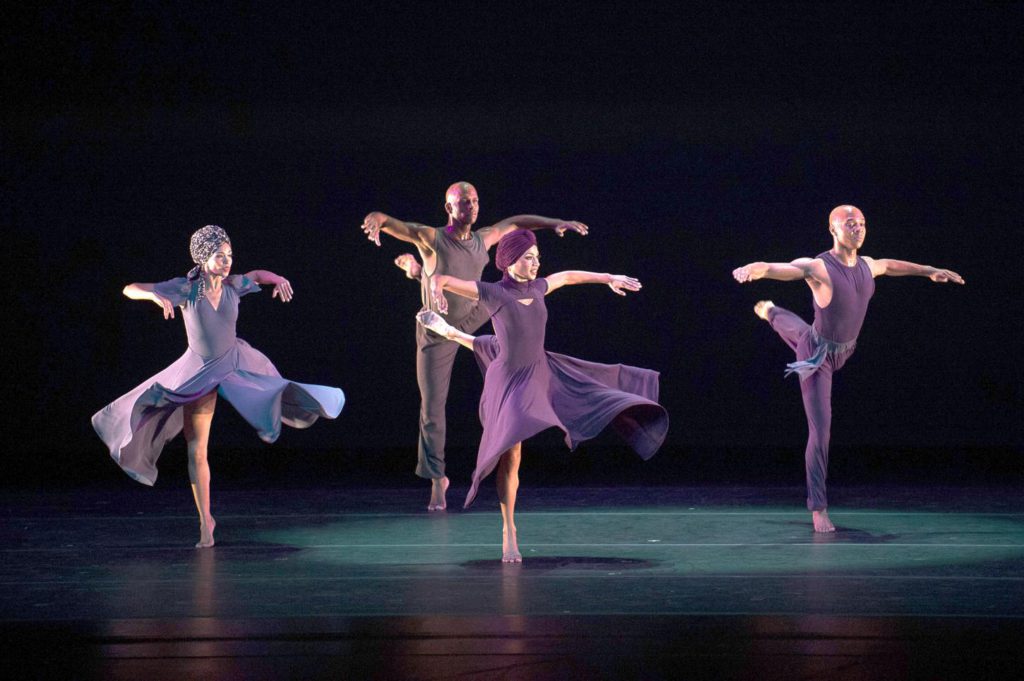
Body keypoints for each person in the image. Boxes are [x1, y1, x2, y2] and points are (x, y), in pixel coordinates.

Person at [419, 229, 668, 562]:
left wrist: (607, 277)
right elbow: (444, 279)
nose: (535, 264)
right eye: (528, 258)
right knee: (511, 452)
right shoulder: (492, 292)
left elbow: (567, 277)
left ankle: (450, 333)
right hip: (509, 380)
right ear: (509, 262)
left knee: (599, 390)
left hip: (541, 371)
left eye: (537, 258)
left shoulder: (538, 287)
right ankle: (509, 530)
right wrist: (437, 291)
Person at [92, 225, 345, 548]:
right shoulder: (185, 289)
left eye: (229, 255)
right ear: (202, 257)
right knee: (197, 449)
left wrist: (277, 279)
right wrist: (154, 295)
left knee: (276, 389)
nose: (227, 262)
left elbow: (256, 274)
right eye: (219, 256)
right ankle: (206, 522)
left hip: (236, 364)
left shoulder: (233, 285)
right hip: (200, 373)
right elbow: (129, 288)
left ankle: (302, 407)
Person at [732, 205, 964, 532]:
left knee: (802, 332)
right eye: (850, 224)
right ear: (833, 229)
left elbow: (891, 266)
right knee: (821, 427)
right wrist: (760, 268)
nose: (858, 228)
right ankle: (818, 507)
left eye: (862, 224)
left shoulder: (867, 265)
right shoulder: (819, 267)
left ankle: (771, 311)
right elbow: (788, 268)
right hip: (817, 358)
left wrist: (928, 270)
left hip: (844, 348)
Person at [361, 181, 588, 511]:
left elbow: (516, 223)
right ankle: (438, 478)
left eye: (475, 201)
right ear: (449, 208)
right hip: (437, 331)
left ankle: (416, 272)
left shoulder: (483, 239)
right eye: (464, 203)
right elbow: (397, 226)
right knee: (432, 406)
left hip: (474, 313)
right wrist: (377, 217)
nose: (472, 207)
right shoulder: (432, 237)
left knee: (504, 293)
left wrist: (554, 223)